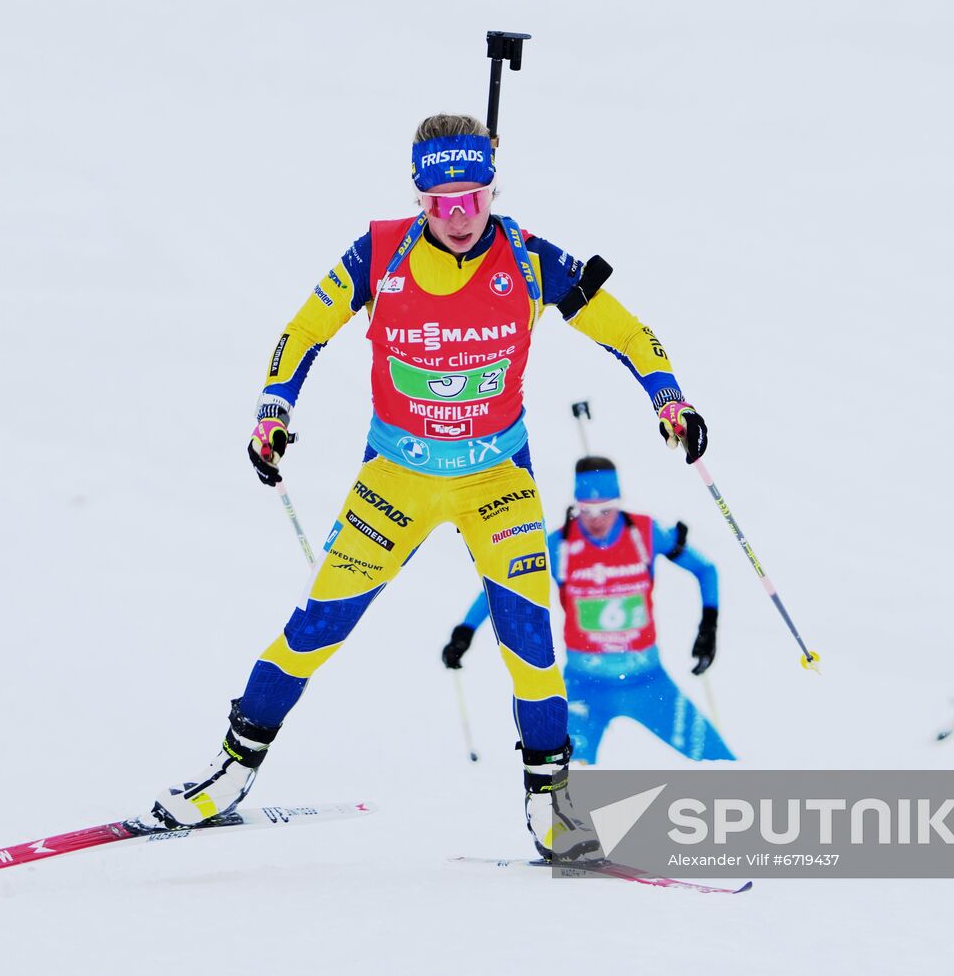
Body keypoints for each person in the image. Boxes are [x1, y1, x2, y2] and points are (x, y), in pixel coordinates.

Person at [147, 114, 710, 861]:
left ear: (491, 190)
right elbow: (302, 331)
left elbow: (629, 333)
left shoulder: (533, 261)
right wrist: (273, 411)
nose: (458, 216)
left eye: (472, 197)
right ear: (418, 197)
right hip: (397, 480)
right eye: (441, 202)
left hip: (496, 483)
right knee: (318, 626)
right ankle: (230, 770)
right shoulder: (377, 254)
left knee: (530, 642)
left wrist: (670, 400)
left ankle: (550, 802)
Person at [443, 456, 735, 764]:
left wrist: (709, 628)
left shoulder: (644, 533)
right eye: (586, 510)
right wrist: (465, 632)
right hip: (584, 687)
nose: (596, 519)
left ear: (619, 503)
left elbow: (706, 569)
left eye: (606, 509)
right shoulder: (559, 546)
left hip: (648, 681)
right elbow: (506, 585)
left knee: (723, 767)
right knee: (565, 778)